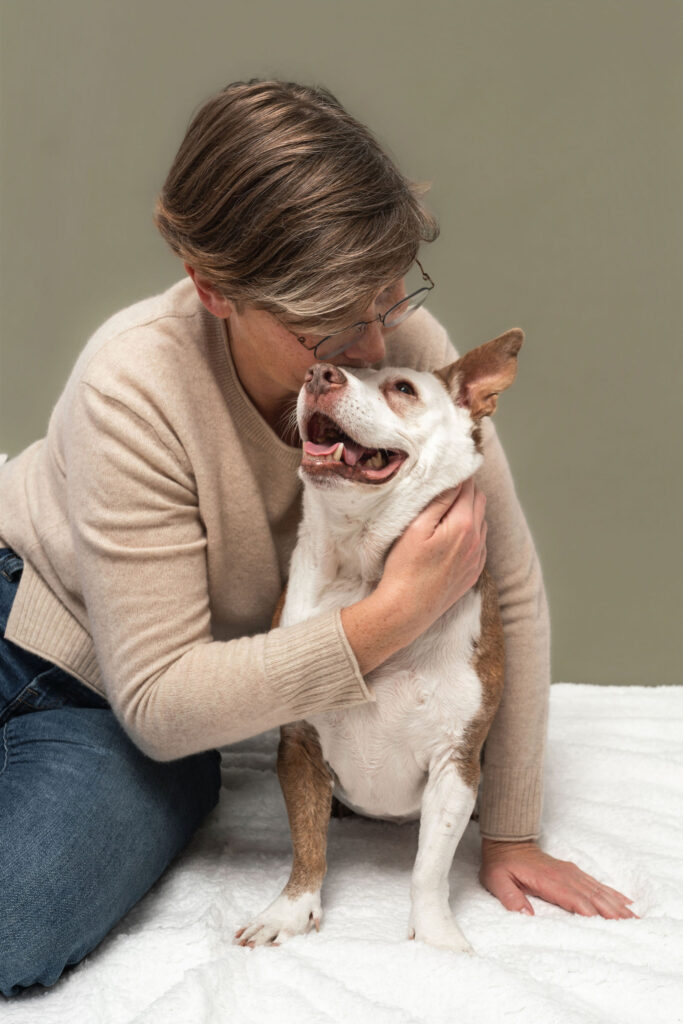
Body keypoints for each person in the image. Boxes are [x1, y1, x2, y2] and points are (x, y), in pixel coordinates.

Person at [0, 79, 636, 997]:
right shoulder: (131, 381)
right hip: (31, 603)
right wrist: (395, 614)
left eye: (383, 294)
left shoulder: (404, 346)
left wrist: (509, 832)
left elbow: (509, 588)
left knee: (15, 923)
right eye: (326, 320)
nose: (373, 338)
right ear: (214, 289)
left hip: (117, 705)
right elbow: (168, 694)